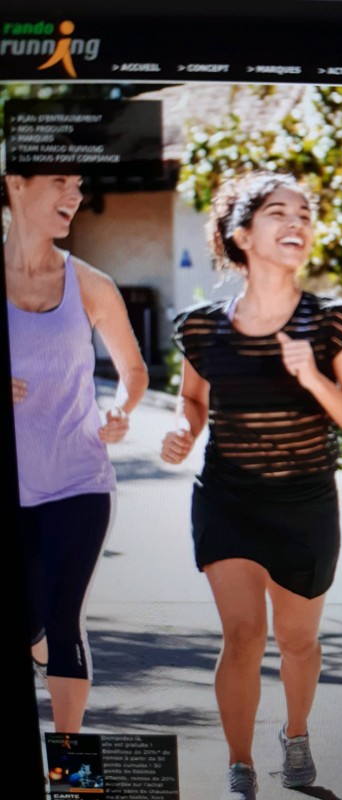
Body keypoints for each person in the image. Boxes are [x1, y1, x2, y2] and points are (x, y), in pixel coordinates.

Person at [161, 170, 342, 799]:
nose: (297, 224)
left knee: (299, 639)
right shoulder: (201, 327)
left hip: (305, 502)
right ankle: (240, 765)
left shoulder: (335, 323)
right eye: (280, 213)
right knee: (243, 636)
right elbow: (193, 401)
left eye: (305, 215)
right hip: (227, 497)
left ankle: (298, 732)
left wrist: (313, 378)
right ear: (241, 234)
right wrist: (182, 428)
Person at [5, 173, 149, 733]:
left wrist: (121, 409)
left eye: (80, 182)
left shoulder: (90, 283)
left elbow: (133, 371)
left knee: (65, 622)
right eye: (60, 180)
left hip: (77, 482)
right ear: (17, 184)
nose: (76, 194)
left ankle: (71, 777)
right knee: (32, 623)